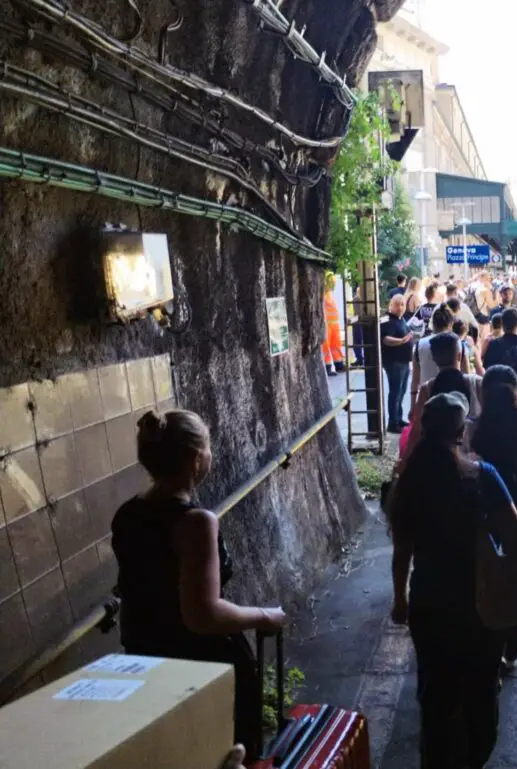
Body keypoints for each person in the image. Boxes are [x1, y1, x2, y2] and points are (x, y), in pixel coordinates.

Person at [388, 392, 517, 769]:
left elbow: (402, 549)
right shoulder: (481, 476)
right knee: (480, 692)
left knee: (435, 693)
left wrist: (400, 599)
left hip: (429, 601)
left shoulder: (410, 480)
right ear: (460, 431)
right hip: (480, 604)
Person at [111, 410, 287, 760]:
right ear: (195, 459)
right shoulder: (195, 523)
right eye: (207, 448)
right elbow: (202, 615)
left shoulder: (128, 513)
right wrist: (265, 616)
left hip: (146, 659)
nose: (210, 455)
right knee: (224, 754)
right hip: (201, 669)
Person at [469, 366, 517, 673]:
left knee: (484, 583)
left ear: (483, 392)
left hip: (484, 520)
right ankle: (510, 654)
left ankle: (486, 650)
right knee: (515, 583)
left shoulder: (475, 429)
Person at [404, 331, 482, 458]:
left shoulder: (427, 389)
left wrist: (405, 461)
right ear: (459, 356)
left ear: (434, 358)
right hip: (472, 457)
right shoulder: (476, 384)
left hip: (438, 458)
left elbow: (416, 430)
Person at [411, 305, 467, 399]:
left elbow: (415, 380)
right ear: (451, 324)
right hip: (453, 398)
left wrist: (413, 405)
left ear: (432, 323)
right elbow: (465, 375)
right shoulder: (458, 344)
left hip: (427, 398)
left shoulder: (419, 345)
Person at [381, 293, 414, 433]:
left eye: (403, 304)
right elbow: (385, 339)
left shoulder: (402, 320)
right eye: (397, 304)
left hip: (404, 361)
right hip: (394, 362)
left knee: (401, 392)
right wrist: (401, 341)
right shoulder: (388, 320)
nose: (400, 307)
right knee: (395, 392)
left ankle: (398, 419)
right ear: (391, 305)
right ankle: (392, 422)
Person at [322, 271, 344, 376]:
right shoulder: (322, 294)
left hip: (334, 324)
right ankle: (328, 367)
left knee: (336, 345)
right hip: (327, 324)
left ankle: (339, 363)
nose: (333, 285)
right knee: (326, 346)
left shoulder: (329, 293)